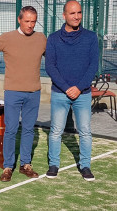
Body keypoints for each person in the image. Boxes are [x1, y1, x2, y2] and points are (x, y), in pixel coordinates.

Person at [0, 6, 46, 182]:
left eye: (33, 21)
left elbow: (55, 57)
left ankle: (26, 165)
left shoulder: (41, 38)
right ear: (19, 20)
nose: (30, 25)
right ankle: (8, 166)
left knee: (28, 129)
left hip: (34, 92)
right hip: (12, 92)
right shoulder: (7, 38)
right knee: (11, 130)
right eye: (27, 21)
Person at [45, 0, 98, 181]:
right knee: (56, 131)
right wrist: (67, 88)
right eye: (72, 13)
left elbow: (93, 66)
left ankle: (85, 166)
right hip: (60, 93)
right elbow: (50, 66)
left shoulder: (91, 37)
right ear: (64, 16)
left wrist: (79, 87)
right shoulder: (53, 38)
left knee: (85, 131)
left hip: (82, 94)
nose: (77, 16)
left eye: (79, 13)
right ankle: (54, 164)